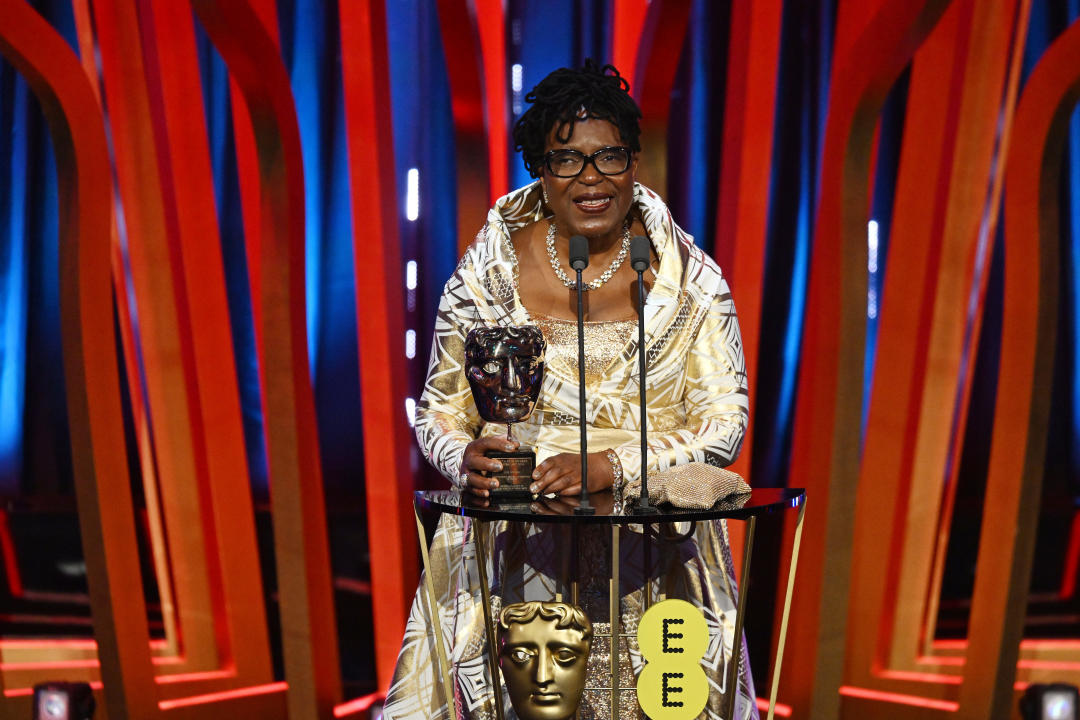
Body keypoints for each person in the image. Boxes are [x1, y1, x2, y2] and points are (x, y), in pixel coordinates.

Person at [383, 61, 756, 720]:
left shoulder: (691, 279)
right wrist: (460, 457)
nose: (591, 180)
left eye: (608, 156)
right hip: (511, 554)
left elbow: (725, 424)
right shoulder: (484, 276)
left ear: (633, 162)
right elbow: (439, 409)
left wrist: (614, 467)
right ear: (539, 170)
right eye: (567, 161)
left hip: (655, 560)